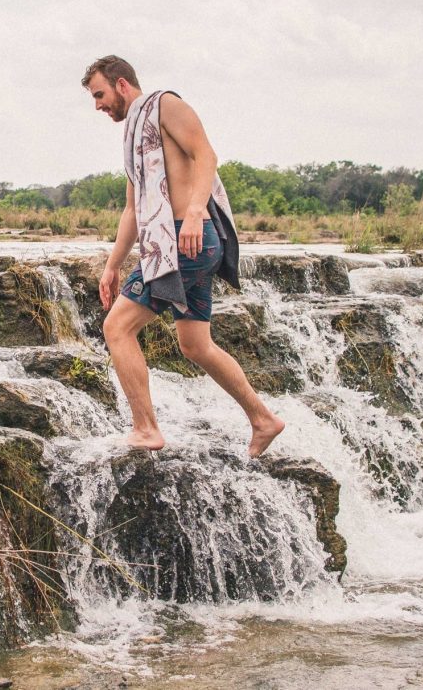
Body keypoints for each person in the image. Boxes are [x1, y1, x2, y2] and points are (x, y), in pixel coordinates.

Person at [82, 55, 284, 456]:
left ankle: (145, 429)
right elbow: (132, 210)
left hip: (183, 240)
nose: (98, 105)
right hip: (182, 243)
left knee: (117, 328)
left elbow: (206, 155)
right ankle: (263, 419)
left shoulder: (166, 105)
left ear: (122, 85)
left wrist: (194, 212)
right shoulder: (134, 137)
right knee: (195, 345)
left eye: (100, 95)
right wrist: (112, 266)